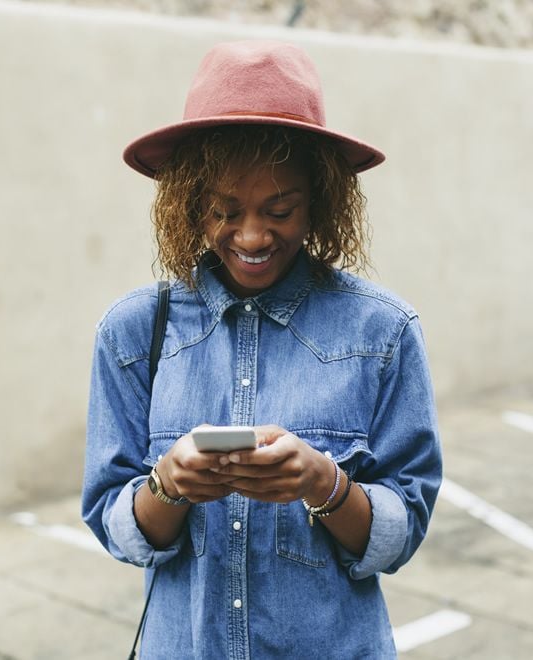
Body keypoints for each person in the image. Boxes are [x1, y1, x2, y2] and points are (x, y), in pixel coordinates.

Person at [82, 40, 442, 659]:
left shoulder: (382, 332)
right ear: (190, 204)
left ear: (321, 202)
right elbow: (120, 530)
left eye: (281, 209)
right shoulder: (132, 333)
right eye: (225, 211)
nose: (252, 236)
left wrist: (325, 484)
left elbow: (401, 532)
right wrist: (168, 484)